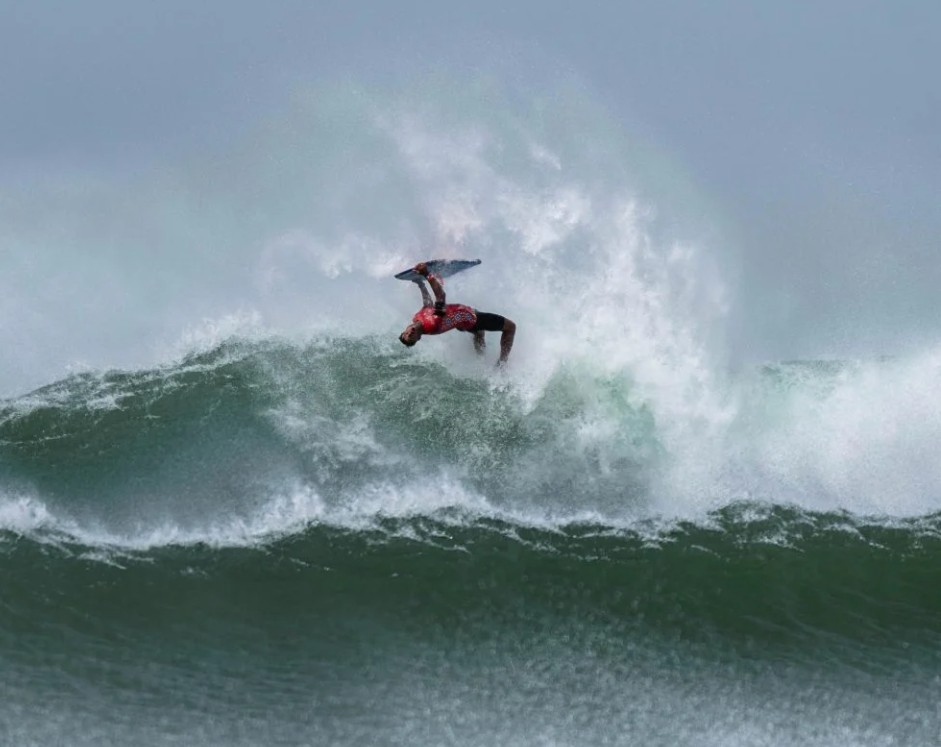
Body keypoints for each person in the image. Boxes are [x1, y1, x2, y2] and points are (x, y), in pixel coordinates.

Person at [398, 262, 516, 364]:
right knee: (510, 327)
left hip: (460, 322)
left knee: (479, 333)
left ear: (406, 328)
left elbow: (427, 305)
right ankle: (502, 363)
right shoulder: (433, 323)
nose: (410, 333)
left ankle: (481, 359)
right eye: (411, 337)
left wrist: (421, 285)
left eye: (406, 333)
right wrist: (426, 274)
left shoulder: (416, 318)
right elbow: (441, 296)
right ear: (419, 338)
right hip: (472, 319)